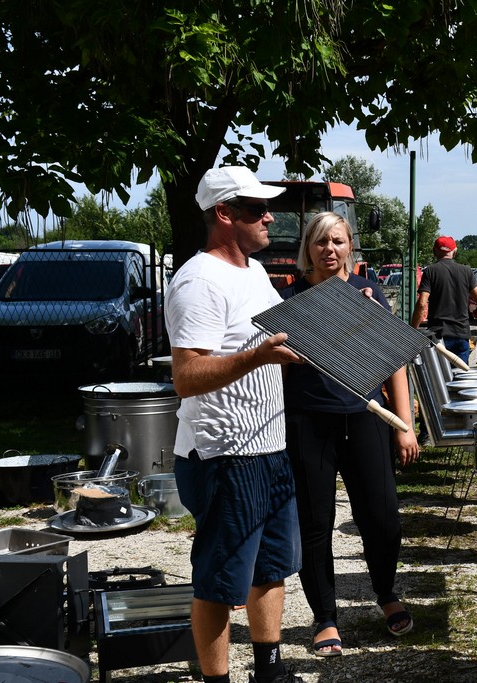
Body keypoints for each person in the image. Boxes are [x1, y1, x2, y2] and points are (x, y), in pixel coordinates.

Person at [166, 166, 304, 683]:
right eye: (254, 208)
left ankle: (268, 671)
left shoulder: (254, 271)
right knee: (220, 581)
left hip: (270, 445)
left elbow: (277, 341)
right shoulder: (198, 280)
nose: (269, 216)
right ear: (224, 214)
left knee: (273, 567)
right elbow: (186, 375)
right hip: (223, 454)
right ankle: (216, 681)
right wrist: (258, 357)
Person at [282, 212, 419, 657]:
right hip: (308, 419)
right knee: (315, 523)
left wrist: (405, 425)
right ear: (309, 248)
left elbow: (393, 359)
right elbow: (274, 366)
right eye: (321, 242)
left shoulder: (370, 293)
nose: (329, 250)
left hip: (365, 415)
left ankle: (386, 591)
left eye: (337, 241)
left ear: (350, 247)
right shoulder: (289, 299)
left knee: (382, 517)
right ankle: (324, 618)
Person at [411, 236, 477, 364]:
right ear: (454, 251)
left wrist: (413, 330)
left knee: (438, 380)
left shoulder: (430, 271)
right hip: (461, 334)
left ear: (434, 251)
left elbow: (422, 303)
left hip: (438, 336)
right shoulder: (467, 271)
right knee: (459, 380)